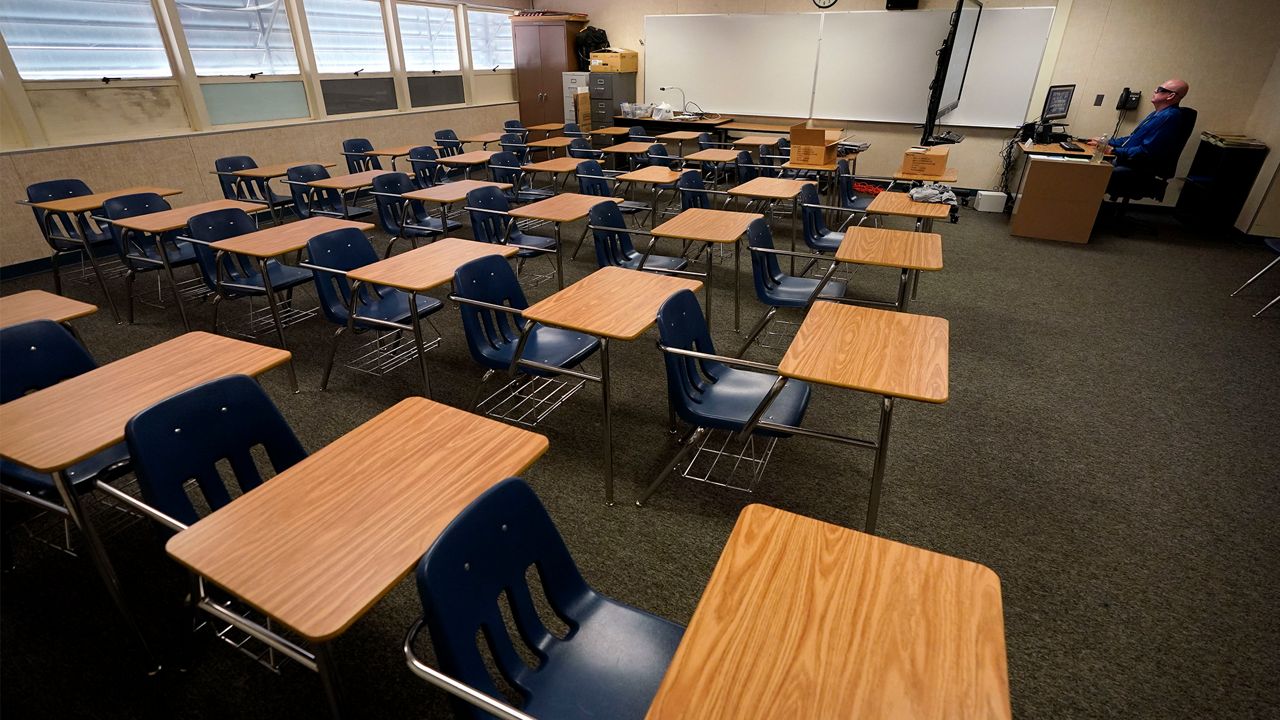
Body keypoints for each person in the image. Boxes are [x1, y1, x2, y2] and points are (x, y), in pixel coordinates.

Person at [1088, 78, 1193, 198]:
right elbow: (1132, 139)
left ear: (1171, 96)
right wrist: (1105, 142)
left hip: (1137, 169)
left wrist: (1113, 150)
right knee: (1087, 166)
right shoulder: (1157, 114)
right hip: (1128, 162)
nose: (1155, 90)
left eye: (1159, 89)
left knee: (1091, 174)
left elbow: (1145, 151)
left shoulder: (1169, 117)